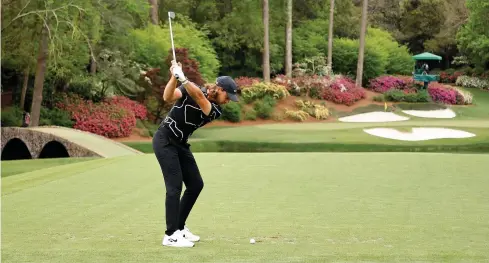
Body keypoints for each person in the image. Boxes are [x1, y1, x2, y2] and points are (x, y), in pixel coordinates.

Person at [152, 60, 239, 248]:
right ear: (219, 89)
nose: (228, 101)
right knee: (174, 187)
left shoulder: (215, 109)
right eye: (228, 96)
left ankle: (180, 227)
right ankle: (171, 235)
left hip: (180, 144)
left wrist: (182, 77)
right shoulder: (189, 88)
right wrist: (174, 77)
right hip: (165, 140)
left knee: (195, 184)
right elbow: (168, 96)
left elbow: (200, 98)